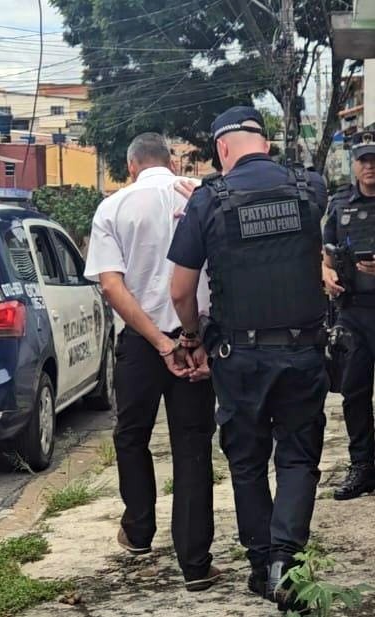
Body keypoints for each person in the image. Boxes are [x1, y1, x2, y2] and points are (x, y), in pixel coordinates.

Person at [167, 107, 329, 612]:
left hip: (239, 357)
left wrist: (191, 336)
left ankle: (262, 567)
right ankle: (286, 563)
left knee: (247, 462)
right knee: (298, 457)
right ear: (266, 143)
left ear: (221, 149)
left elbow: (179, 291)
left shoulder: (208, 200)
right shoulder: (311, 188)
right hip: (304, 351)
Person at [84, 133, 219, 592]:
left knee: (131, 435)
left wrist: (160, 342)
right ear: (172, 161)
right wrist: (191, 337)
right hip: (197, 338)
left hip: (143, 342)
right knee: (193, 444)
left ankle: (139, 530)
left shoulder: (114, 207)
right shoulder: (202, 197)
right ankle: (195, 564)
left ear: (131, 165)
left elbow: (111, 286)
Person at [322, 127, 375, 501]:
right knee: (354, 393)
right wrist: (325, 273)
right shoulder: (339, 205)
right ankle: (363, 466)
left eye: (374, 160)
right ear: (354, 165)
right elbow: (324, 252)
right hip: (353, 313)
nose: (370, 166)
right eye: (364, 160)